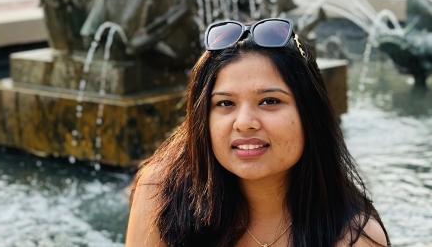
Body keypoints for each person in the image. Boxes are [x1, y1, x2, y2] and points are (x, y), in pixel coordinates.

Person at [126, 18, 390, 247]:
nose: (244, 123)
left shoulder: (354, 238)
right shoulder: (161, 196)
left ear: (310, 113)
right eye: (225, 104)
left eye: (270, 101)